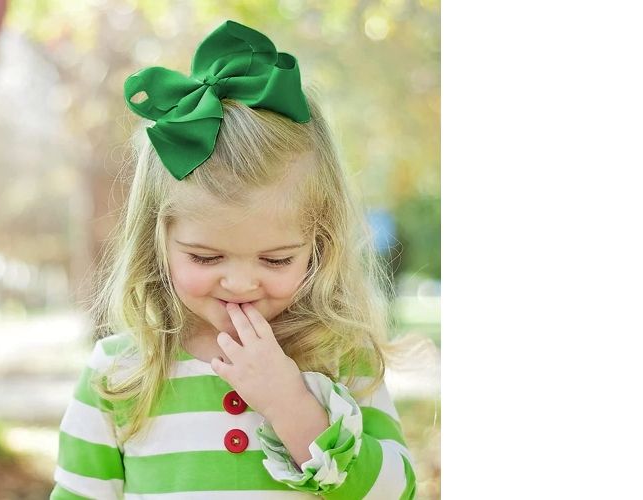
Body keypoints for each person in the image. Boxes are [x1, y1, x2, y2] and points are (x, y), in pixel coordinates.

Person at [52, 19, 417, 499]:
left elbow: (397, 492)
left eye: (276, 260)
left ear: (319, 244)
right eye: (206, 258)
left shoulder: (342, 358)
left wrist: (291, 405)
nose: (241, 284)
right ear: (157, 241)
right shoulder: (119, 374)